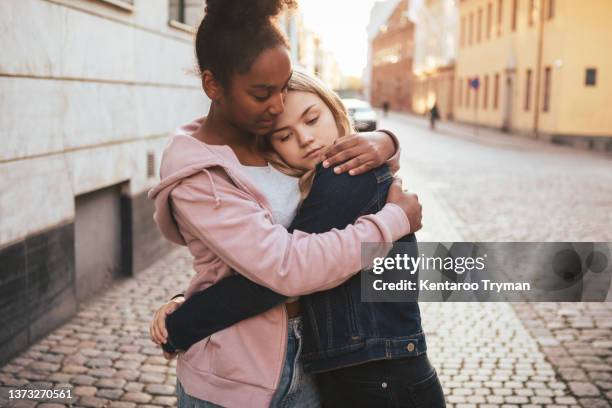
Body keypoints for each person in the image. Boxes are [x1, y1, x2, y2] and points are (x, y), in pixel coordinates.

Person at [147, 1, 424, 407]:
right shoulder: (201, 176)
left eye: (281, 87)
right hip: (234, 379)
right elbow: (284, 264)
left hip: (314, 363)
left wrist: (384, 143)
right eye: (263, 93)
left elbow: (332, 167)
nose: (277, 106)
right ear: (213, 86)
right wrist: (392, 221)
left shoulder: (268, 136)